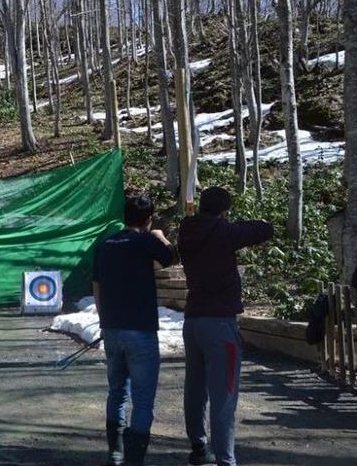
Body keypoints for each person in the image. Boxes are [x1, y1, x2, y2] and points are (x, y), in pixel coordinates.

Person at [178, 187, 273, 466]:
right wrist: (226, 223)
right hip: (220, 324)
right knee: (224, 395)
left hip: (193, 321)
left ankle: (198, 446)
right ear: (223, 212)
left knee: (195, 390)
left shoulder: (186, 230)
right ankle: (225, 460)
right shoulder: (224, 232)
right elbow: (264, 229)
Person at [92, 195, 176, 466]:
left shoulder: (105, 244)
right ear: (148, 219)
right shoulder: (146, 240)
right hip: (140, 330)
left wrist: (105, 322)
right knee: (142, 400)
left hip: (113, 329)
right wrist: (160, 235)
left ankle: (115, 455)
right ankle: (134, 461)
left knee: (116, 391)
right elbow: (170, 259)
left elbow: (97, 288)